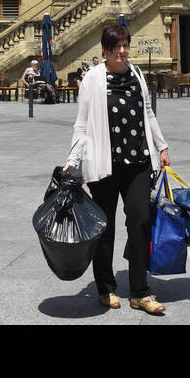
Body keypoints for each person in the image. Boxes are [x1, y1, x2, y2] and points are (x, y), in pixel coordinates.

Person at [64, 23, 170, 315]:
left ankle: (140, 291)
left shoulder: (136, 74)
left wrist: (161, 146)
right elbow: (82, 124)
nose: (122, 51)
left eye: (125, 45)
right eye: (116, 47)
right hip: (104, 163)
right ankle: (105, 287)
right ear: (105, 50)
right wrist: (73, 160)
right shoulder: (93, 79)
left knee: (140, 220)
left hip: (137, 161)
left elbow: (148, 112)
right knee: (104, 227)